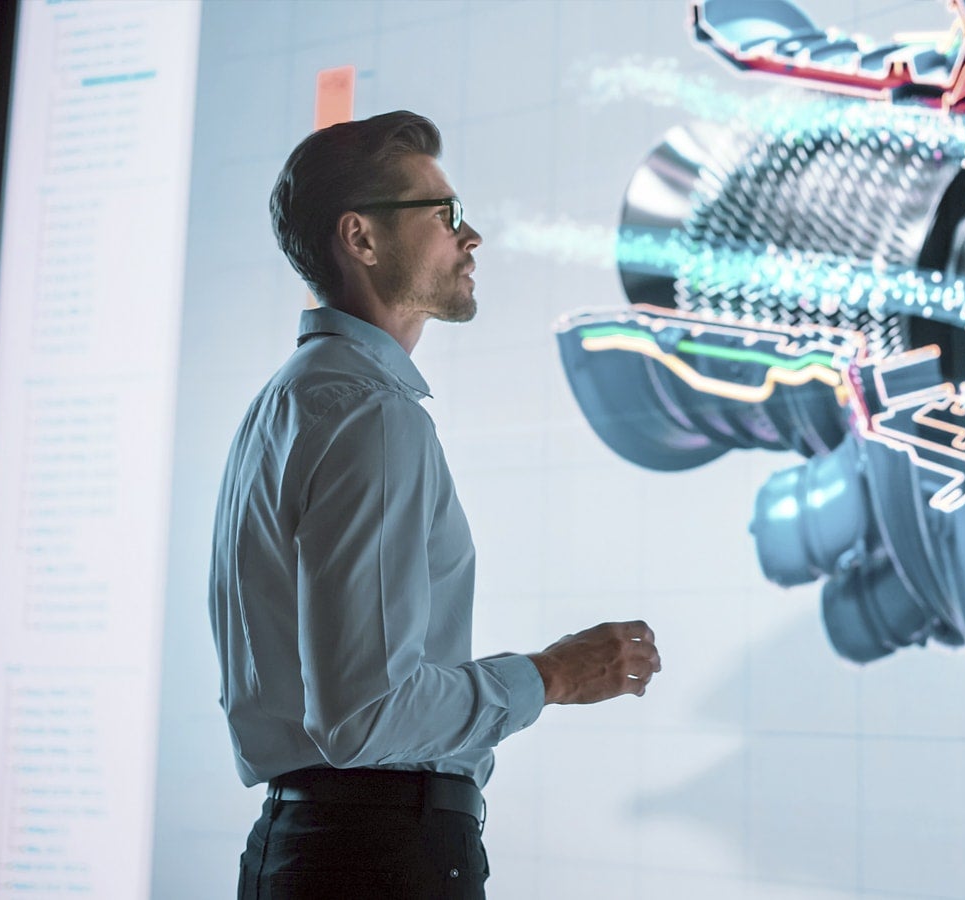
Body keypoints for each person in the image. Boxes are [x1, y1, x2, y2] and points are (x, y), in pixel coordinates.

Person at [208, 110, 662, 899]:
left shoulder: (285, 404)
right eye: (445, 213)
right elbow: (366, 716)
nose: (471, 236)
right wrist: (553, 675)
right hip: (375, 857)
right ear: (362, 238)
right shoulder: (370, 414)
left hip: (310, 848)